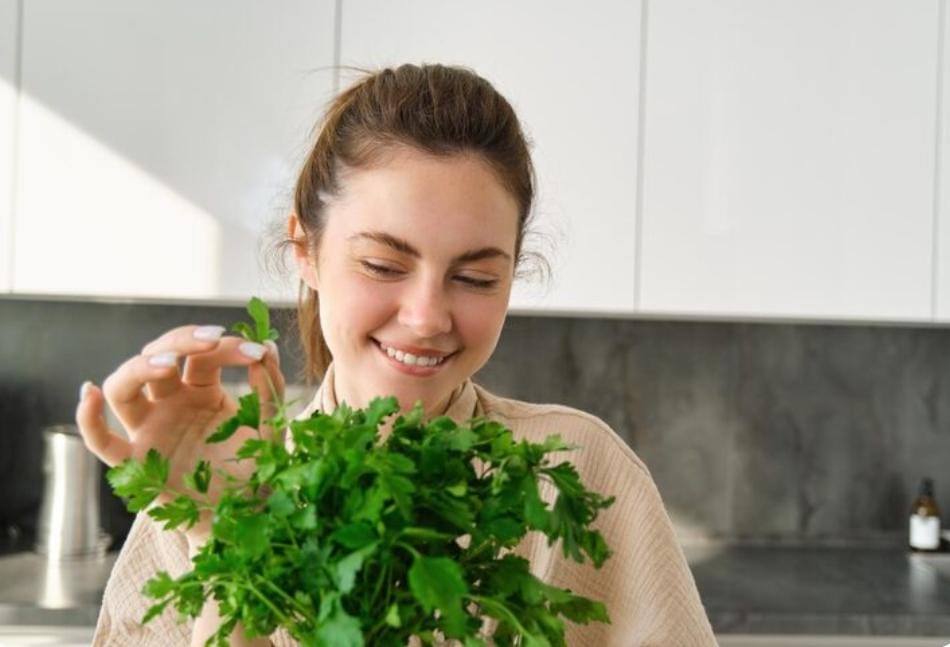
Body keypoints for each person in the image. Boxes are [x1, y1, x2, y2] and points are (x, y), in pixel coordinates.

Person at [75, 63, 717, 647]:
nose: (427, 317)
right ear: (305, 248)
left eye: (475, 278)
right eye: (383, 264)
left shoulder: (579, 471)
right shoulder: (198, 495)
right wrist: (228, 540)